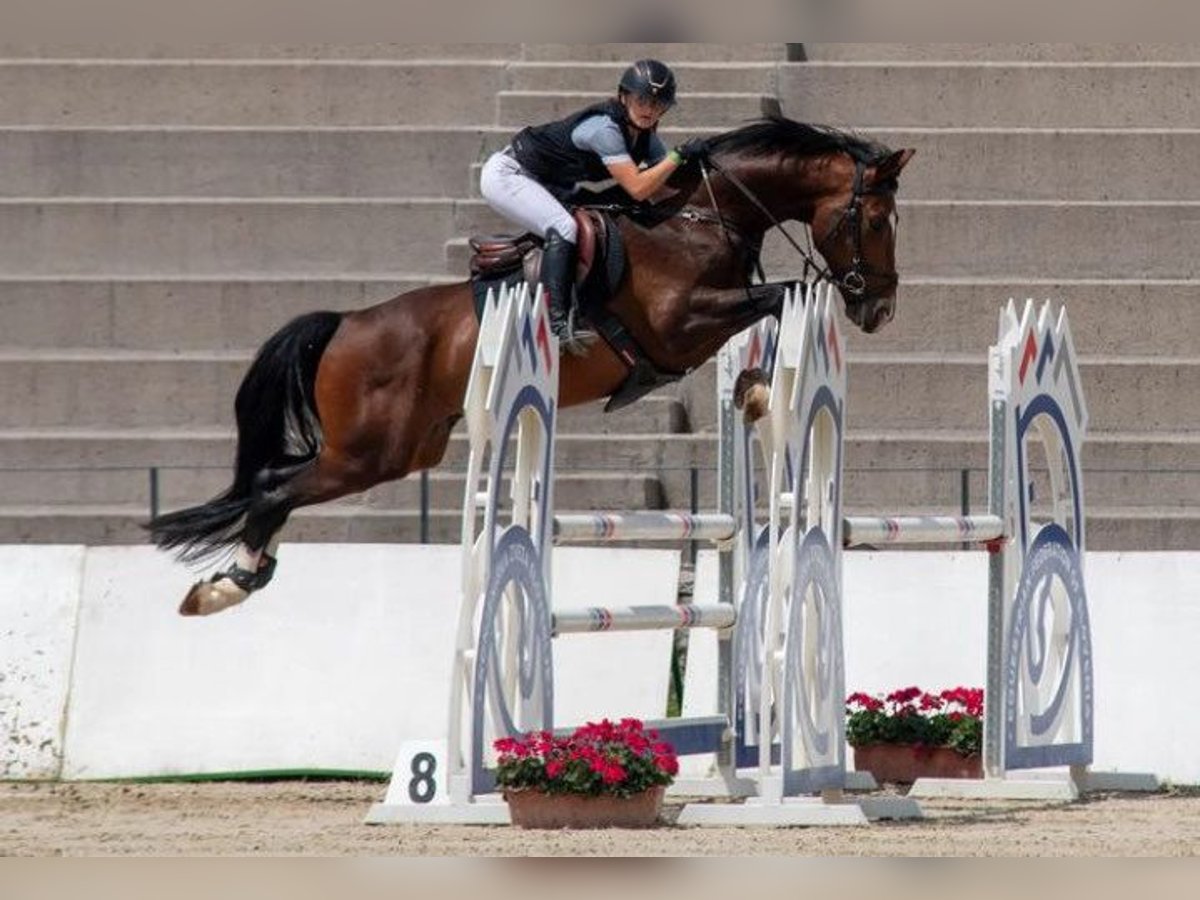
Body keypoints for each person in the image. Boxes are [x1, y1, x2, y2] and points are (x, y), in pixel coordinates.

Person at [479, 59, 707, 350]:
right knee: (563, 227)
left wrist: (695, 160)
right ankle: (557, 323)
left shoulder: (644, 135)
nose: (649, 109)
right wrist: (678, 156)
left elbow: (661, 179)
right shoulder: (605, 129)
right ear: (624, 97)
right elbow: (639, 187)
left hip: (550, 183)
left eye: (659, 103)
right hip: (510, 175)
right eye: (642, 100)